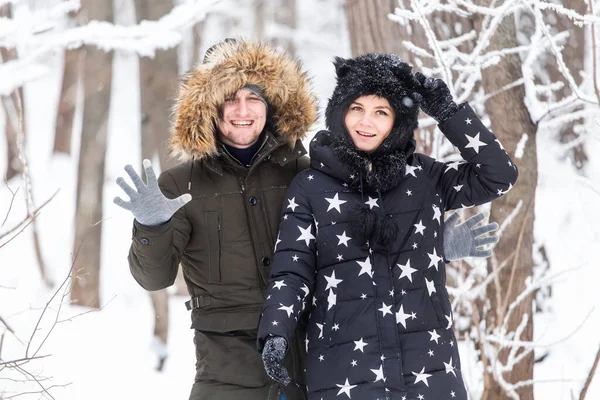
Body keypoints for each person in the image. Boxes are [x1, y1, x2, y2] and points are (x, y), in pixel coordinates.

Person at [114, 40, 499, 400]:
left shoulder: (304, 171)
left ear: (272, 104)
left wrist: (427, 246)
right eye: (229, 99)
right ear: (208, 107)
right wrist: (151, 228)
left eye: (253, 98)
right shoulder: (182, 185)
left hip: (312, 357)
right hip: (228, 368)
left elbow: (352, 245)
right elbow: (154, 277)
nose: (243, 110)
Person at [256, 53, 518, 400]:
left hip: (428, 369)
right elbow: (292, 270)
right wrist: (276, 330)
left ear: (398, 122)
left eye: (382, 112)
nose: (367, 122)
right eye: (357, 108)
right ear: (340, 111)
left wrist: (447, 113)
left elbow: (499, 175)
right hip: (345, 372)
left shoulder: (425, 178)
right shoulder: (309, 187)